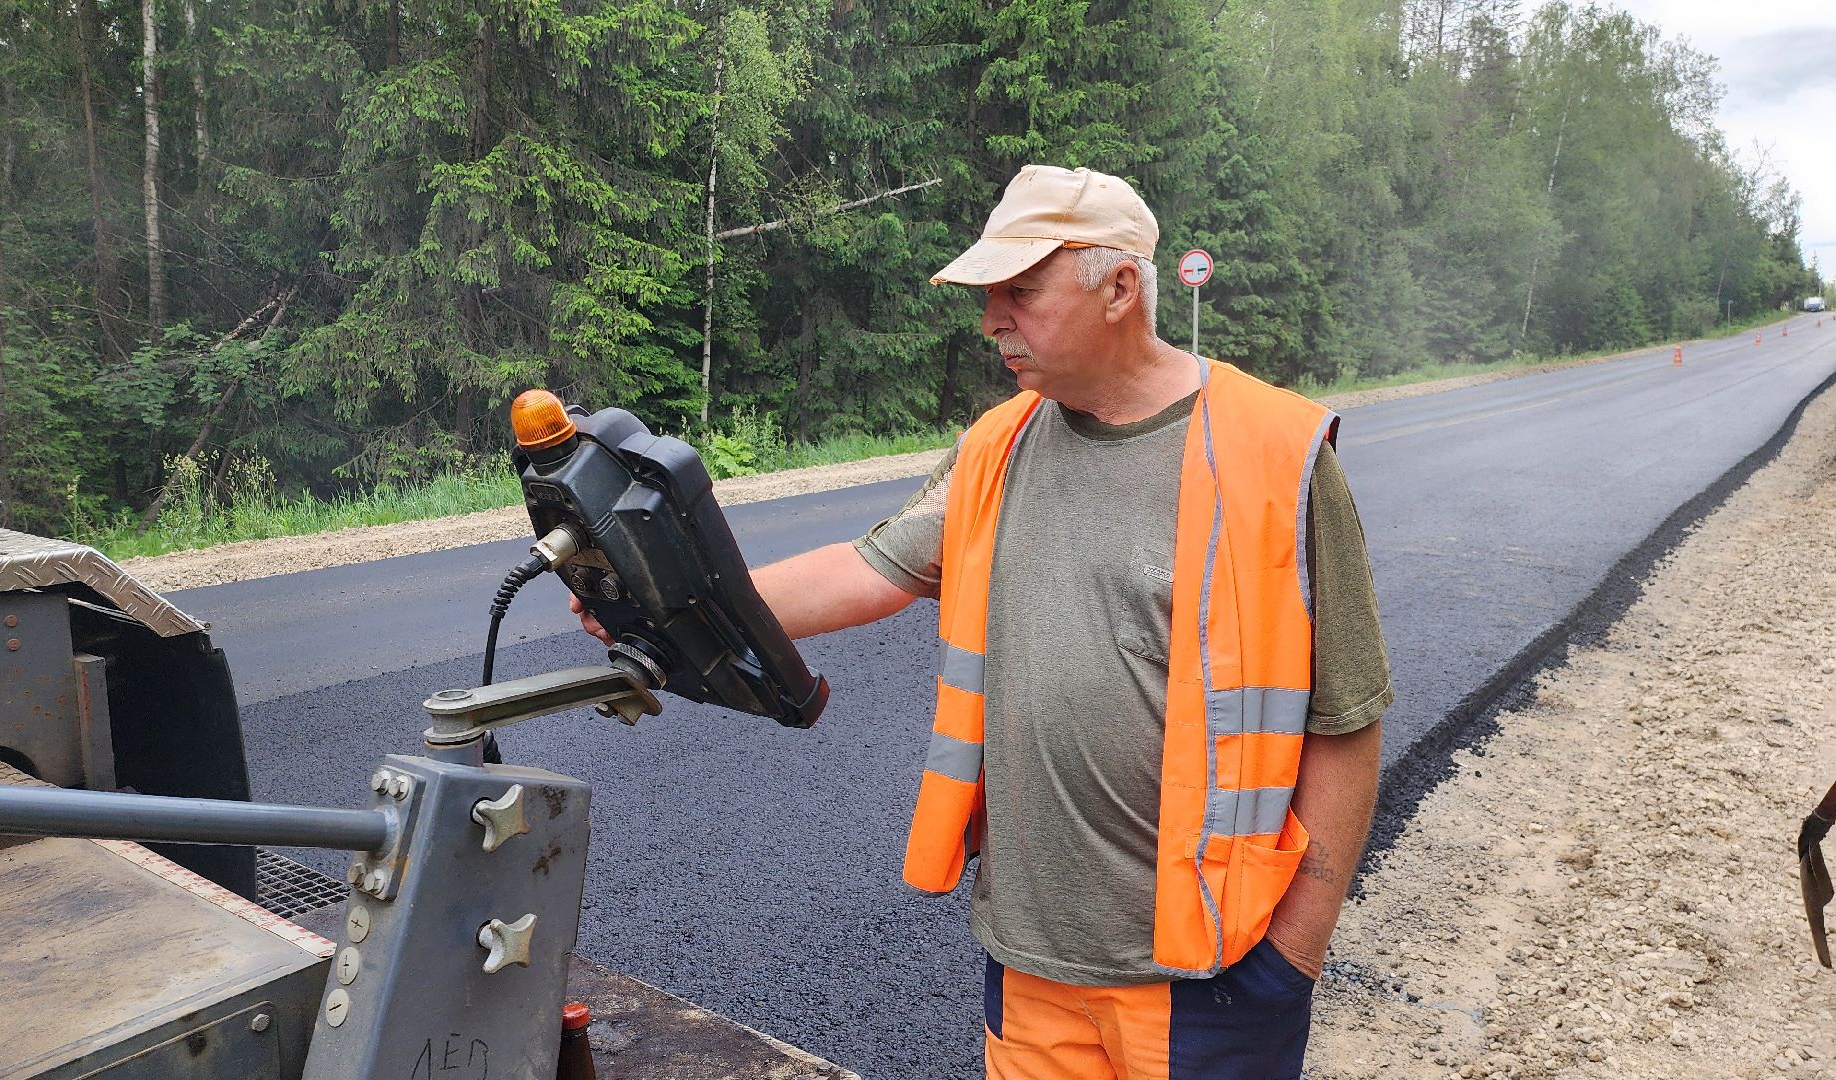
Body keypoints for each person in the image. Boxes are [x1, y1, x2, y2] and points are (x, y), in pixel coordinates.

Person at [577, 164, 1390, 1079]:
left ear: (1120, 286)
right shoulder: (998, 444)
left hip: (1216, 970)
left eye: (1020, 290)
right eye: (988, 294)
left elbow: (1346, 718)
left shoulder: (1277, 455)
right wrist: (667, 600)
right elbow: (866, 569)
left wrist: (1295, 953)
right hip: (1031, 960)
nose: (991, 319)